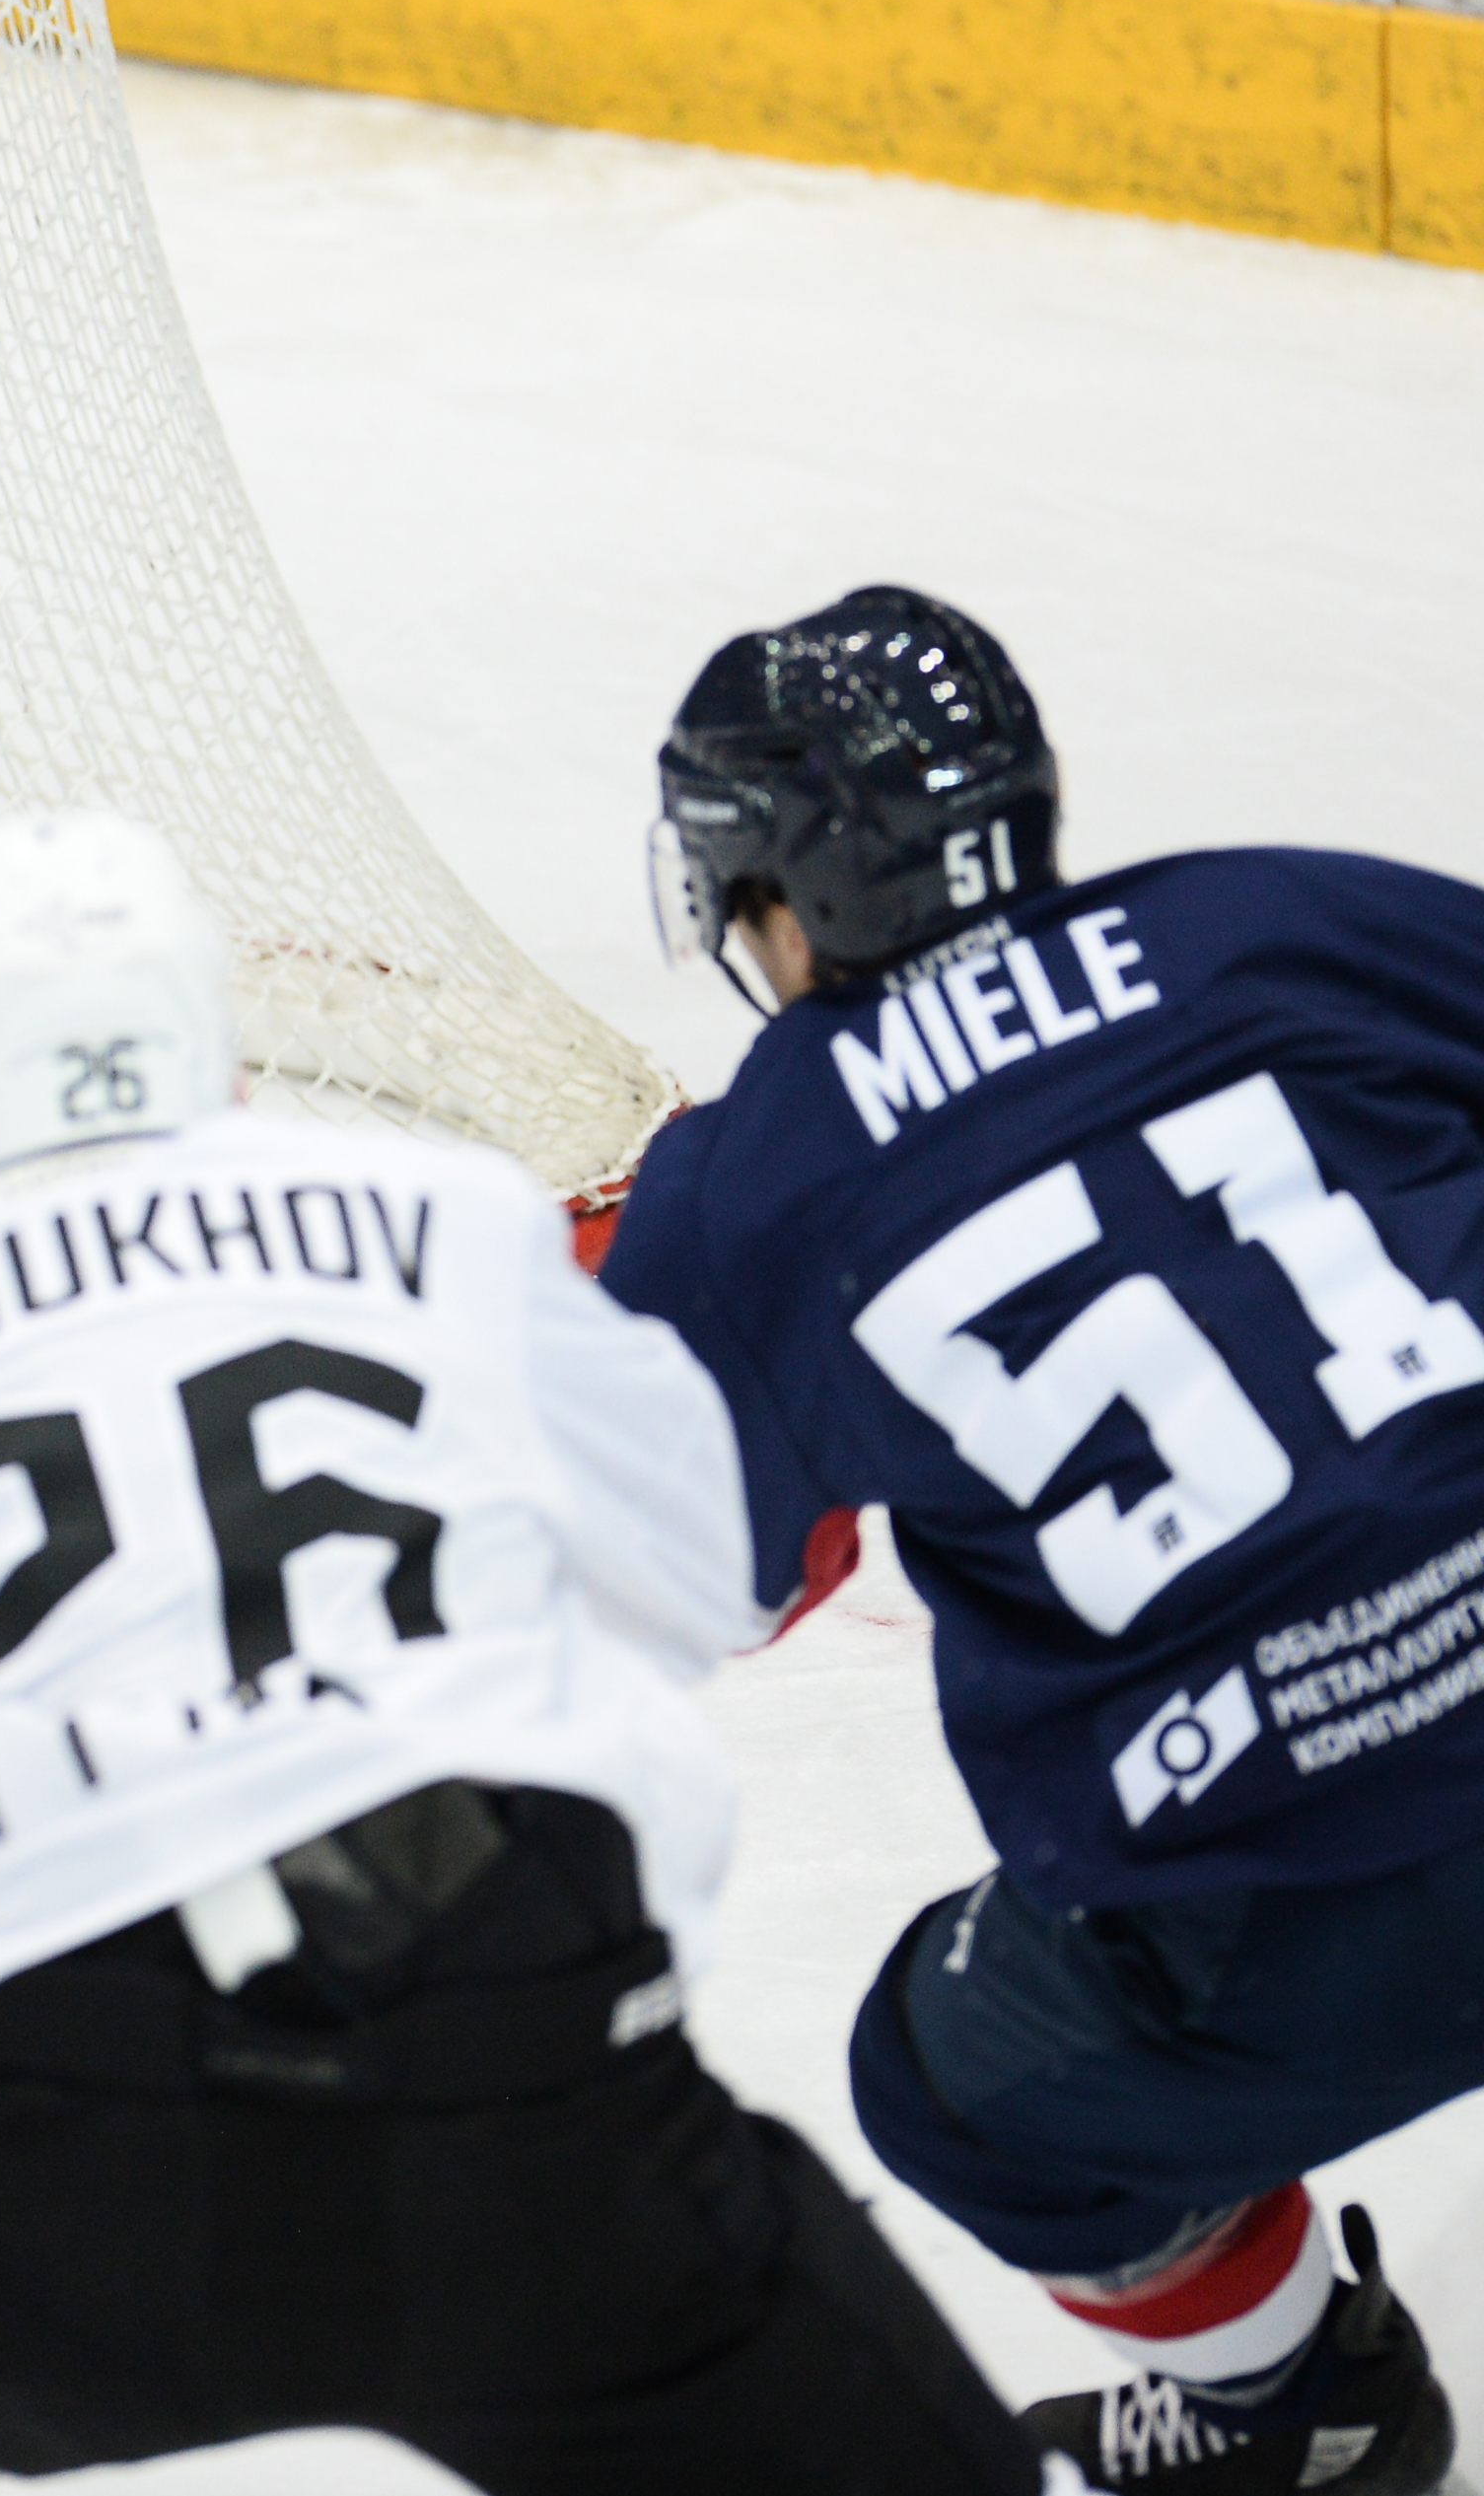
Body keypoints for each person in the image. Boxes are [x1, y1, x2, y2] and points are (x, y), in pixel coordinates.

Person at [0, 809, 1054, 2495]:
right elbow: (690, 1570)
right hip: (524, 2085)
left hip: (45, 2174)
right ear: (218, 1062)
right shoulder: (444, 1221)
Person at [601, 584, 1475, 2494]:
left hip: (1296, 1916)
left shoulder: (753, 1174)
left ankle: (1299, 2416)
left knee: (959, 2086)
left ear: (785, 894)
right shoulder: (1276, 914)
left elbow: (714, 1572)